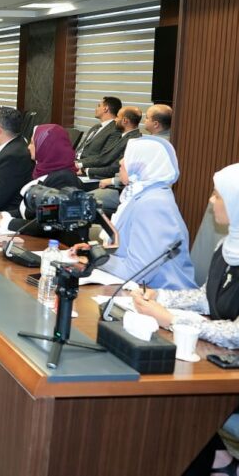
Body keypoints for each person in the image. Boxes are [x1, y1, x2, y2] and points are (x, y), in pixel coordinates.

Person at [133, 163, 239, 475]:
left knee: (173, 399)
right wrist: (159, 297)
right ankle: (218, 460)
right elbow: (207, 297)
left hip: (231, 369)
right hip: (221, 359)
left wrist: (170, 320)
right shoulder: (228, 246)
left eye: (217, 196)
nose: (210, 201)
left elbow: (236, 334)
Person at [100, 136, 196, 290]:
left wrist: (95, 258)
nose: (121, 162)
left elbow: (137, 273)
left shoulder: (153, 204)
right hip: (136, 289)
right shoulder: (141, 194)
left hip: (159, 295)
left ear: (144, 165)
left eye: (128, 156)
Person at [0, 124, 84, 240]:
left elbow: (46, 226)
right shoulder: (44, 171)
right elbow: (29, 211)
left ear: (46, 148)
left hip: (56, 245)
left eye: (32, 143)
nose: (28, 147)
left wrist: (6, 223)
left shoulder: (64, 179)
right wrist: (2, 215)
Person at [83, 106, 143, 180]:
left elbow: (115, 169)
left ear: (125, 120)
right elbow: (103, 158)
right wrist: (80, 166)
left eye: (117, 117)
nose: (115, 120)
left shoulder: (133, 141)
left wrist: (86, 171)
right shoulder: (120, 136)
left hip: (109, 180)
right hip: (99, 174)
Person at [76, 96, 122, 166]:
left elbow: (103, 158)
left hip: (85, 165)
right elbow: (82, 148)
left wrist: (78, 164)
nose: (96, 109)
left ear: (105, 109)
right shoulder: (96, 127)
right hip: (74, 161)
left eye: (99, 106)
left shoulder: (115, 130)